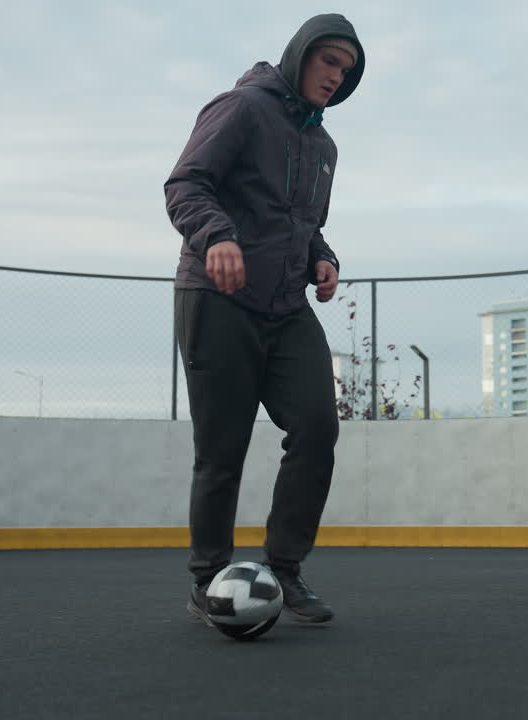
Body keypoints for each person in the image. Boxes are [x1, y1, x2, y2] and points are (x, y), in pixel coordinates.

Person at [163, 14, 364, 625]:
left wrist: (322, 259)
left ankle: (284, 569)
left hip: (286, 308)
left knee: (316, 429)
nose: (335, 76)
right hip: (217, 298)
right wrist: (216, 237)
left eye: (346, 71)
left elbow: (303, 222)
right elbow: (187, 185)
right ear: (299, 53)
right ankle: (207, 579)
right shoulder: (241, 109)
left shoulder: (323, 146)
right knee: (222, 450)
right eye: (328, 60)